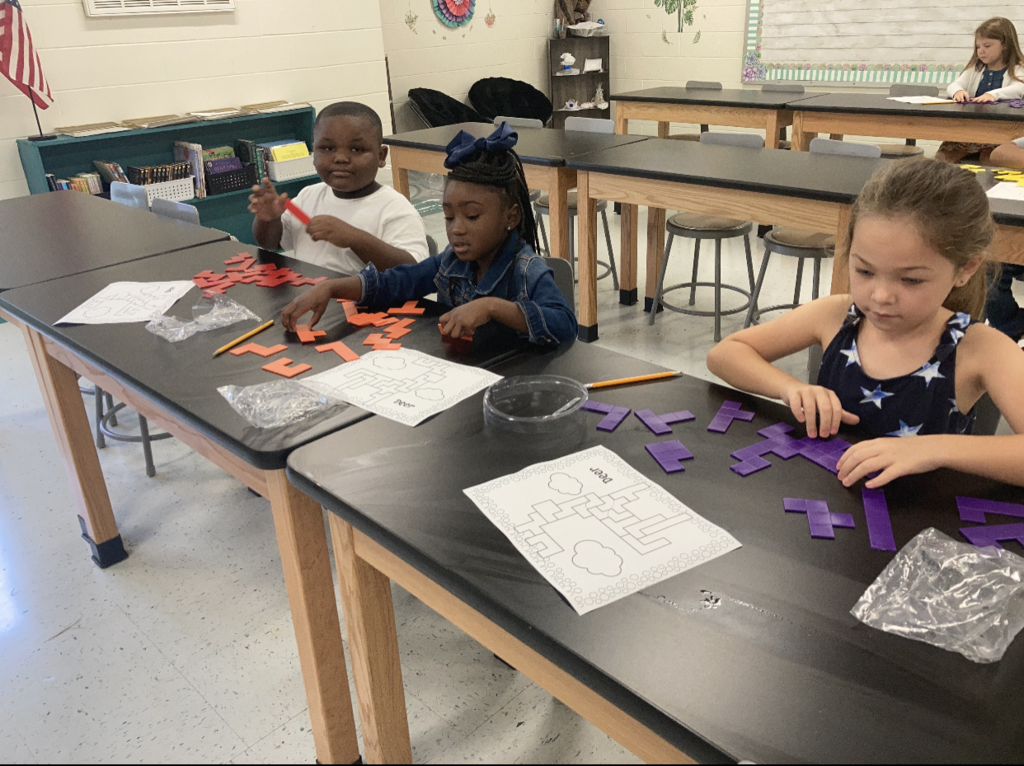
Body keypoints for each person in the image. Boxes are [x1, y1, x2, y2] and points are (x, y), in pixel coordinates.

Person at [707, 159, 1024, 489]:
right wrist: (790, 388)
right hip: (828, 501)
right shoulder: (836, 315)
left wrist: (935, 449)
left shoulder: (980, 349)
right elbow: (724, 354)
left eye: (911, 280)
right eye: (864, 271)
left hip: (918, 516)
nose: (881, 296)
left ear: (966, 269)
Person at [280, 123, 577, 347]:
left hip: (514, 385)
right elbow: (397, 282)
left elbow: (565, 325)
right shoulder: (450, 262)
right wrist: (332, 287)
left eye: (472, 216)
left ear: (510, 217)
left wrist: (491, 307)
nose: (456, 228)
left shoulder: (526, 271)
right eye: (448, 216)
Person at [248, 101, 428, 274]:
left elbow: (414, 273)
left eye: (357, 149)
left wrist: (355, 238)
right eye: (328, 148)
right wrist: (268, 220)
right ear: (314, 152)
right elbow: (273, 243)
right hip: (313, 293)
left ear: (381, 156)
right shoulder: (308, 196)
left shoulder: (395, 209)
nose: (341, 158)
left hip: (364, 296)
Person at [934, 17, 1024, 164]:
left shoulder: (1017, 69)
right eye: (978, 47)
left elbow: (1019, 89)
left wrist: (993, 95)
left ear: (1005, 44)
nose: (981, 51)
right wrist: (957, 91)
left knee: (991, 161)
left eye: (987, 46)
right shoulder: (975, 69)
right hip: (970, 130)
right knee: (941, 158)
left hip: (1001, 133)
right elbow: (954, 85)